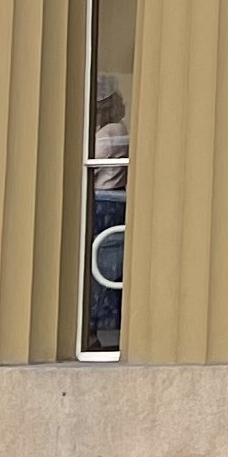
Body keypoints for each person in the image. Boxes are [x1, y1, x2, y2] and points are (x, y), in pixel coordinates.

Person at [86, 79, 128, 350]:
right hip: (108, 201)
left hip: (105, 203)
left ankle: (97, 327)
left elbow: (92, 161)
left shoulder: (111, 132)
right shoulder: (110, 130)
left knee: (101, 265)